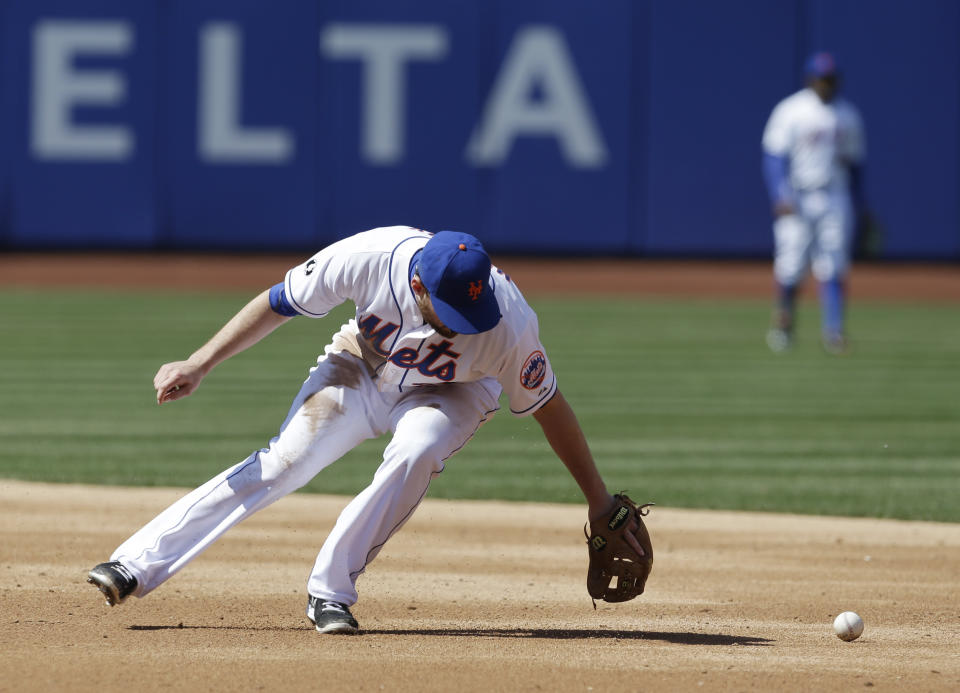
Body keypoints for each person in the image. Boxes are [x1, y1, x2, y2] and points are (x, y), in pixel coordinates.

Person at [86, 226, 646, 634]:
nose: (468, 323)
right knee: (285, 462)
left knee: (417, 451)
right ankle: (136, 565)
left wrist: (598, 499)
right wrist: (200, 361)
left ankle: (329, 593)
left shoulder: (509, 324)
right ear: (420, 287)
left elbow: (550, 407)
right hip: (361, 364)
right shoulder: (367, 256)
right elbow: (279, 302)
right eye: (452, 311)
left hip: (452, 391)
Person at [761, 51, 867, 354]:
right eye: (821, 78)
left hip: (835, 194)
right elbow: (773, 157)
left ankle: (833, 332)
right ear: (810, 79)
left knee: (833, 263)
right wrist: (779, 193)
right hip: (798, 194)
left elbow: (856, 164)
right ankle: (783, 327)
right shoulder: (791, 110)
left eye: (830, 79)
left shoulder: (847, 115)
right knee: (790, 264)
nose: (826, 84)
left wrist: (860, 204)